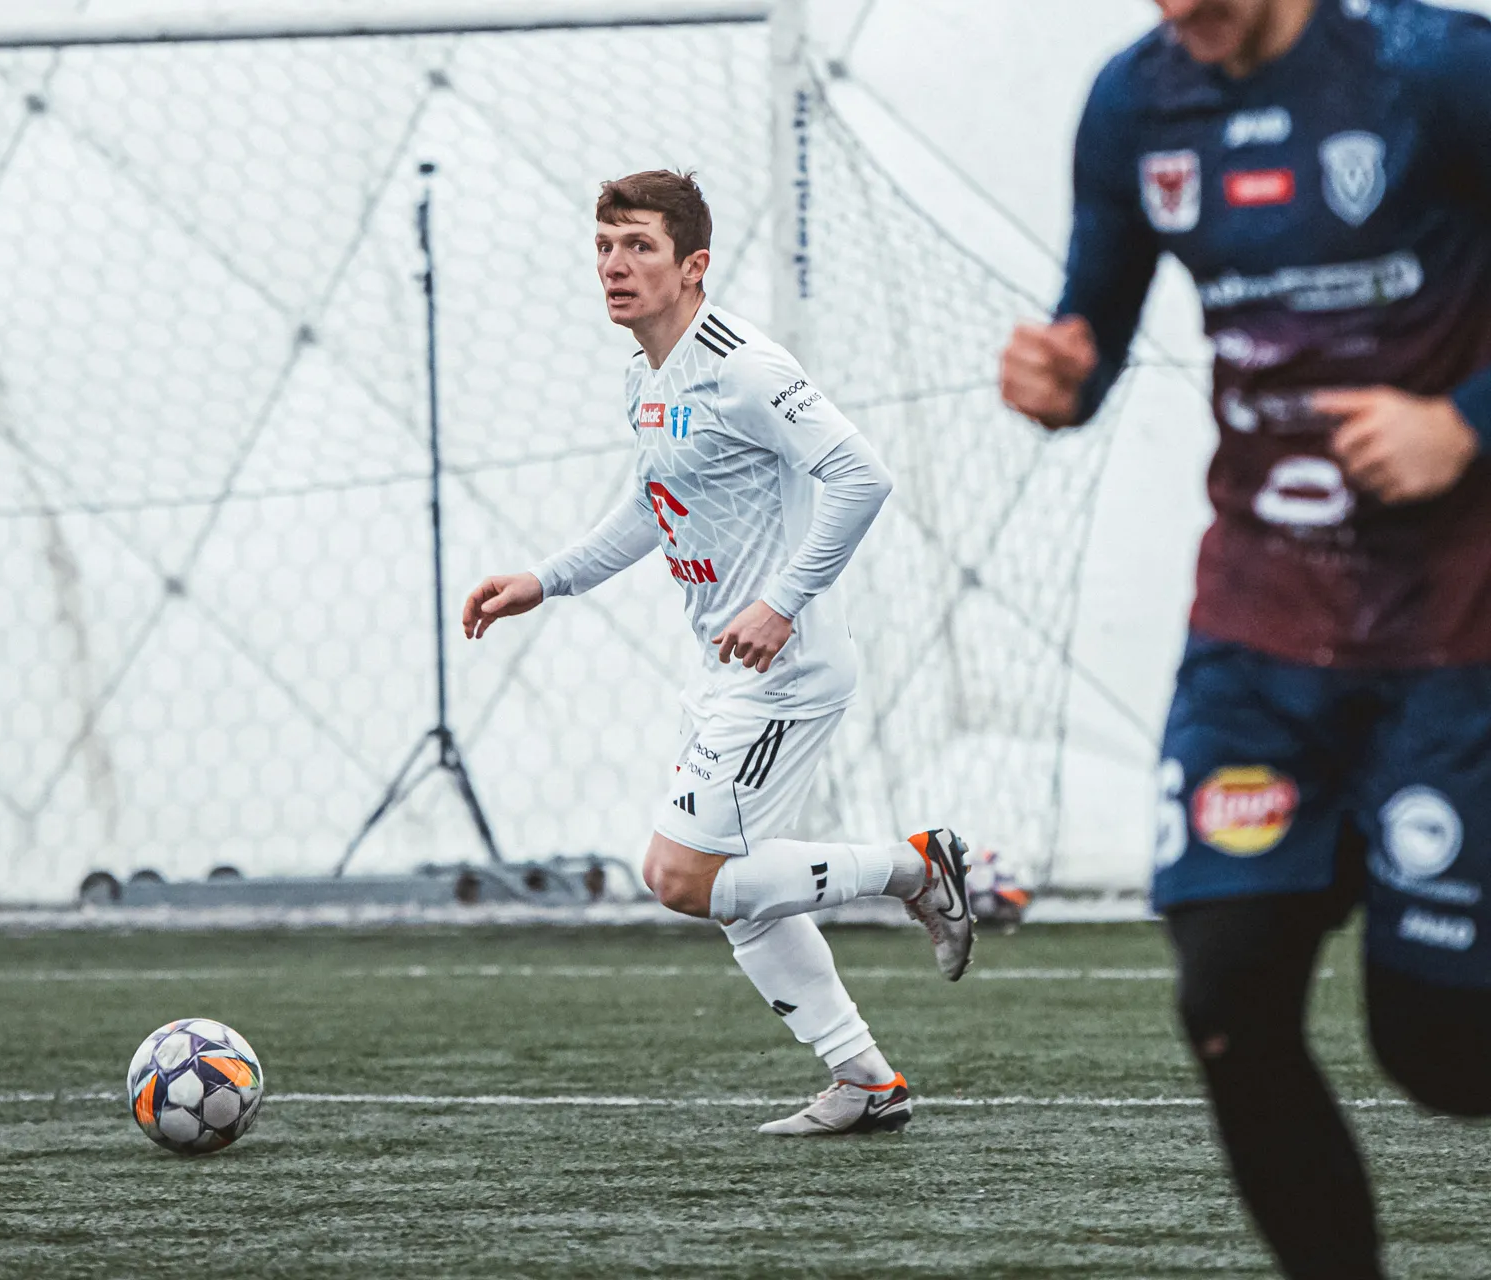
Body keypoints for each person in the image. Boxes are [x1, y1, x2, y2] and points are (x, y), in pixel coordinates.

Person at [1000, 0, 1491, 1274]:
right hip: (1262, 626)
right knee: (1226, 994)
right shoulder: (1135, 100)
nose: (1181, 12)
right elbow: (1093, 321)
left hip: (1458, 625)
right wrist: (1063, 377)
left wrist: (1464, 423)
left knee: (1443, 1051)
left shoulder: (1439, 68)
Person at [462, 170, 975, 1137]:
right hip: (725, 672)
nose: (615, 266)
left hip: (788, 670)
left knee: (679, 878)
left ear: (693, 265)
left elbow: (862, 477)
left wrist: (781, 603)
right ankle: (865, 1082)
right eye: (605, 246)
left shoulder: (745, 367)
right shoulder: (646, 378)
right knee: (739, 893)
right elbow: (653, 504)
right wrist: (547, 579)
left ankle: (914, 868)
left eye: (639, 246)